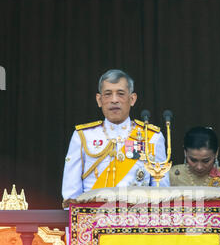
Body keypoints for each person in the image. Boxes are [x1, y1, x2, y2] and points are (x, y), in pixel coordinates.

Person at [62, 69, 170, 201]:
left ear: (132, 99)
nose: (114, 100)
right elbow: (71, 193)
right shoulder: (83, 136)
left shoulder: (152, 136)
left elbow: (161, 191)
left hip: (138, 218)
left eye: (120, 94)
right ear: (99, 100)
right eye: (107, 94)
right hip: (94, 218)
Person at [170, 126, 220, 203]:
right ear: (185, 152)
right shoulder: (172, 175)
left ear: (216, 153)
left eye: (206, 161)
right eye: (193, 160)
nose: (199, 167)